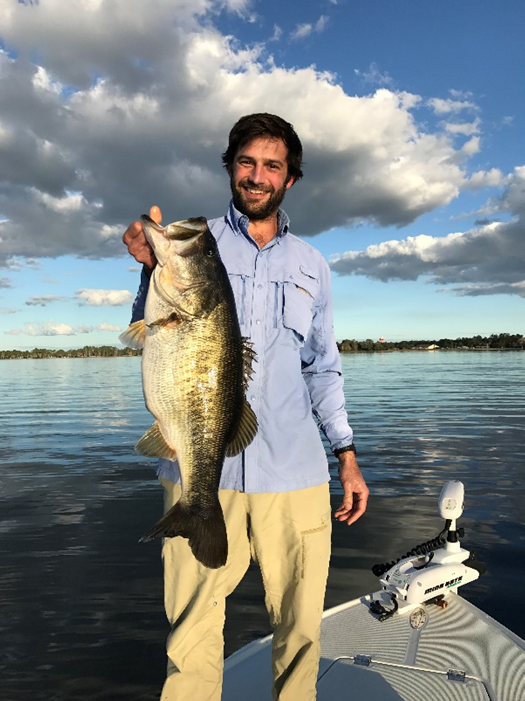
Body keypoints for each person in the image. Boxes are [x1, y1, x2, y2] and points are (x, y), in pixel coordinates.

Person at [123, 113, 369, 701]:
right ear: (231, 168)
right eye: (246, 163)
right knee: (191, 630)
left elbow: (323, 367)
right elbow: (153, 325)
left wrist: (348, 454)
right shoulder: (195, 241)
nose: (257, 176)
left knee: (301, 627)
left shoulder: (313, 265)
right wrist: (145, 263)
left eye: (272, 166)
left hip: (295, 471)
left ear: (291, 178)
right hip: (197, 467)